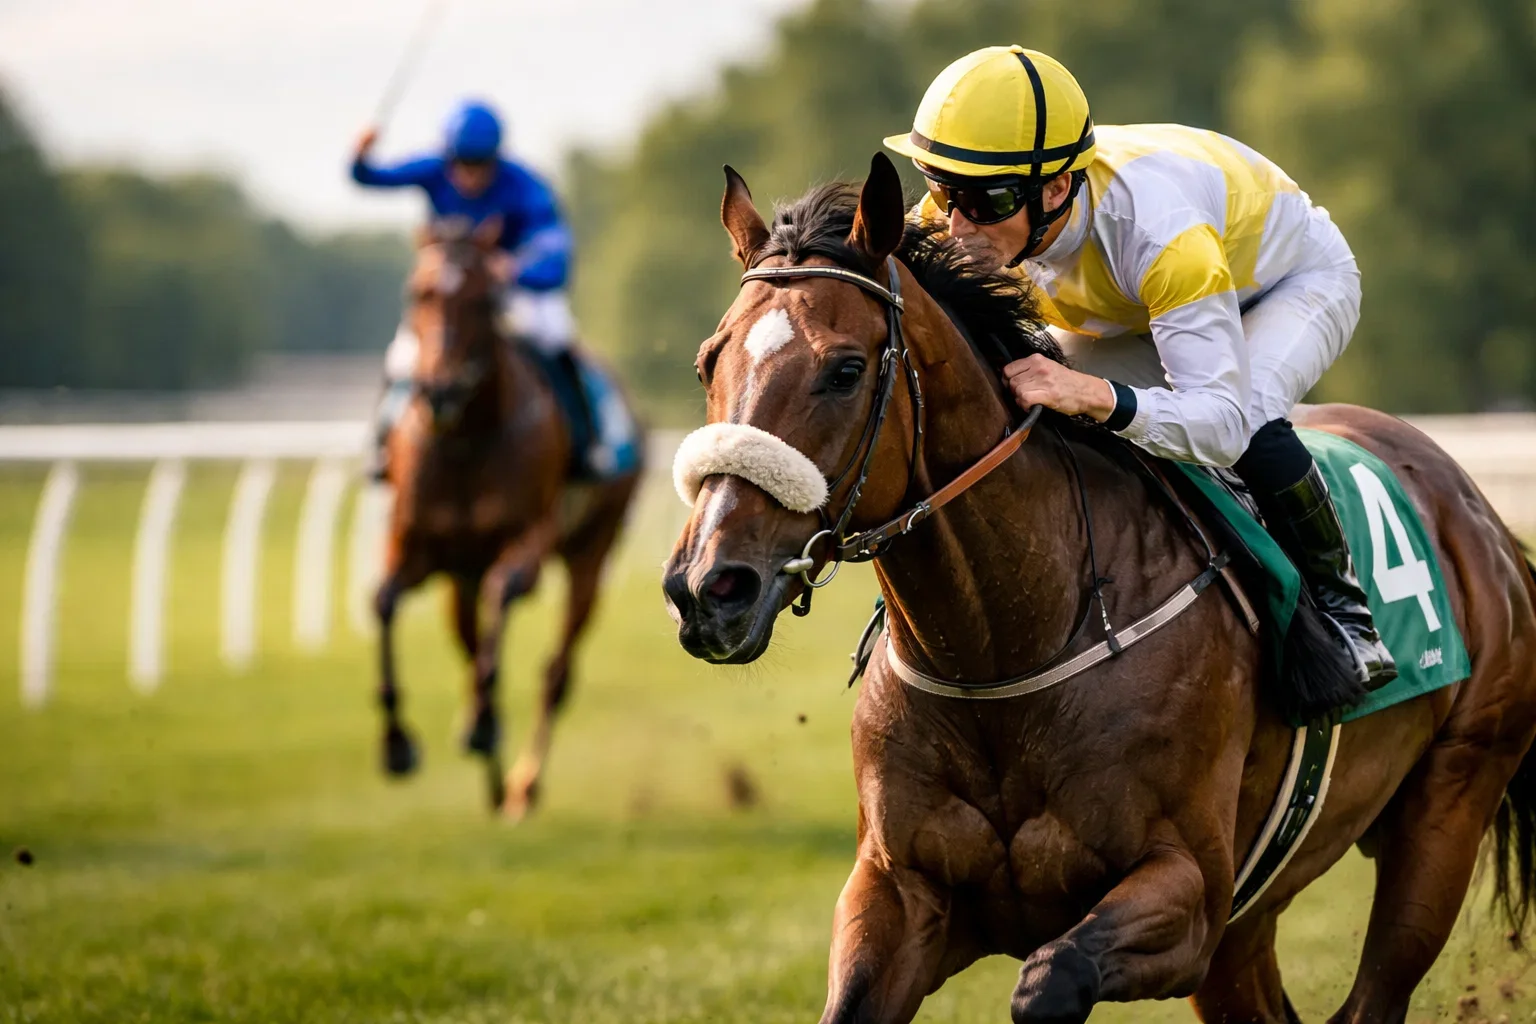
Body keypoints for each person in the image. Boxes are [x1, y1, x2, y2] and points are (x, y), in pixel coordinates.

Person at [884, 45, 1395, 686]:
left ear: (1055, 188)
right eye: (942, 191)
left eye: (985, 203)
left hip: (1286, 283)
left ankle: (1346, 616)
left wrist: (1100, 396)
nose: (956, 226)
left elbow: (1221, 425)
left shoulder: (1158, 231)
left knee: (1253, 417)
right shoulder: (960, 213)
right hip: (1135, 307)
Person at [351, 99, 590, 478]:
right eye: (461, 164)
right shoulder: (433, 169)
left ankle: (582, 442)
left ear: (495, 159)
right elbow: (371, 178)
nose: (469, 175)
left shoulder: (524, 185)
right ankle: (383, 445)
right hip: (451, 291)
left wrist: (514, 267)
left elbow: (556, 252)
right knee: (402, 355)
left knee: (553, 338)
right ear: (448, 157)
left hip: (508, 287)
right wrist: (360, 155)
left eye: (479, 166)